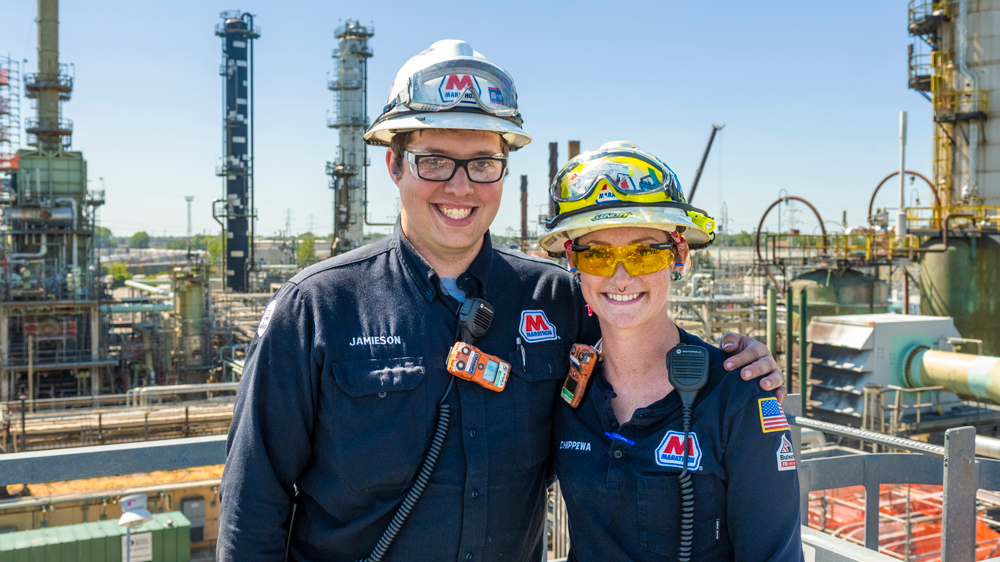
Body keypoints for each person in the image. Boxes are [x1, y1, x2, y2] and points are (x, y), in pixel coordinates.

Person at [217, 41, 782, 562]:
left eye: (483, 164)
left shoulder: (555, 298)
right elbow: (253, 505)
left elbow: (632, 313)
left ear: (504, 171)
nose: (460, 187)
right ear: (394, 163)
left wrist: (738, 366)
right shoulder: (316, 309)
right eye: (434, 160)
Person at [542, 142, 803, 561]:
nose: (622, 276)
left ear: (679, 256)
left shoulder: (738, 395)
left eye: (644, 253)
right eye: (598, 254)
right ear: (572, 259)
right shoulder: (562, 387)